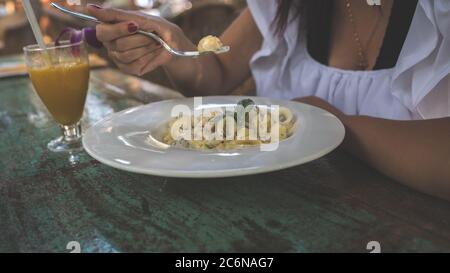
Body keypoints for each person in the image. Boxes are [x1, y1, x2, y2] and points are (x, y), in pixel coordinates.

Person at [87, 0, 450, 201]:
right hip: (282, 208)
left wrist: (331, 123)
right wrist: (176, 48)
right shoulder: (284, 5)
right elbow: (215, 73)